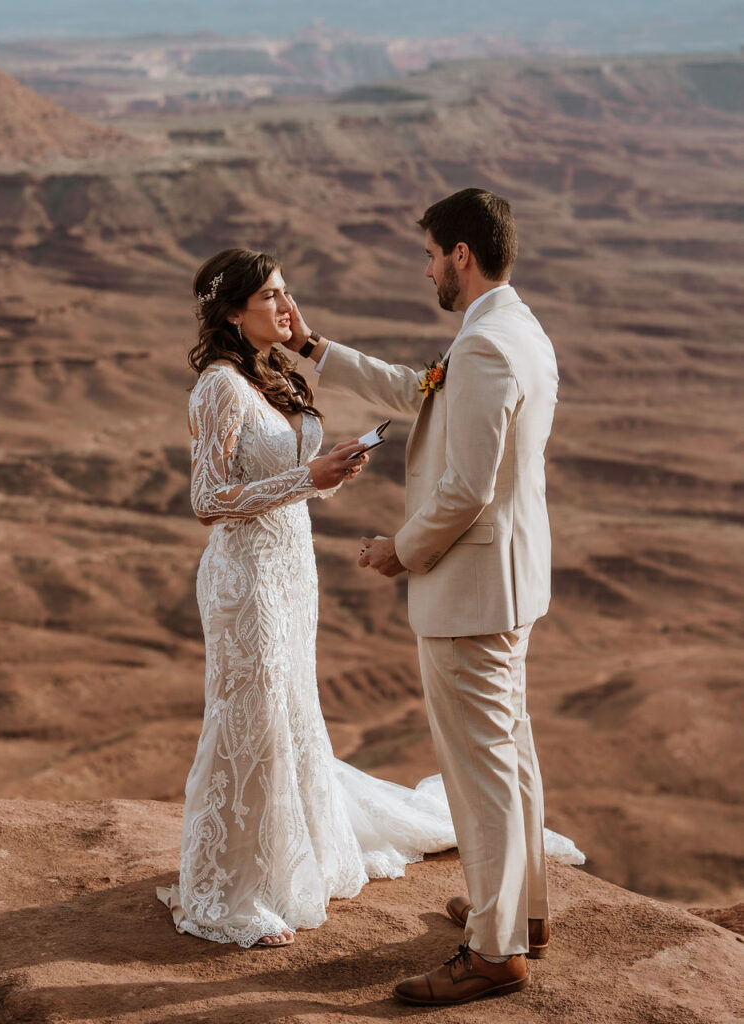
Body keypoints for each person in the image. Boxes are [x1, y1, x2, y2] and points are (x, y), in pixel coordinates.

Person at [286, 188, 566, 1002]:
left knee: (478, 767)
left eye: (430, 256)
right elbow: (421, 389)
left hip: (472, 589)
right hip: (507, 582)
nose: (427, 270)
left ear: (460, 257)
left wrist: (396, 553)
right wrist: (314, 349)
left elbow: (466, 490)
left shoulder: (485, 346)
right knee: (507, 752)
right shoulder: (513, 328)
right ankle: (521, 911)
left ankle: (492, 951)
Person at [156, 248, 460, 949]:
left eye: (286, 293)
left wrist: (327, 473)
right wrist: (305, 478)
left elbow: (282, 473)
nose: (285, 309)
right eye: (269, 297)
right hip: (247, 579)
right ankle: (233, 883)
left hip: (292, 569)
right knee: (253, 715)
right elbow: (206, 501)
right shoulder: (218, 388)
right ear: (232, 312)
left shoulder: (270, 375)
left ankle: (287, 858)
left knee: (288, 707)